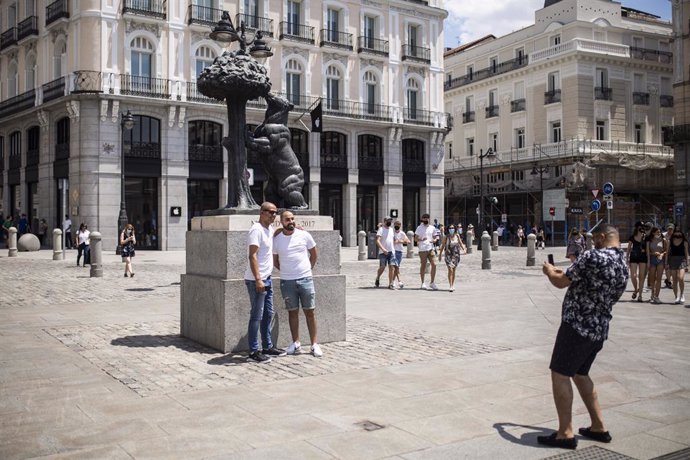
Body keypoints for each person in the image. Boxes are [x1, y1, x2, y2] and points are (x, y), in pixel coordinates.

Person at [539, 224, 629, 450]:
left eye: (594, 239)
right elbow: (574, 276)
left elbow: (561, 281)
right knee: (581, 373)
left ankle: (565, 433)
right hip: (599, 328)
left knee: (560, 374)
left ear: (601, 237)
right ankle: (598, 426)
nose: (592, 242)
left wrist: (549, 271)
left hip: (577, 325)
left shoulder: (593, 256)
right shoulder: (623, 263)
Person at [273, 210, 322, 357]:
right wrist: (287, 271)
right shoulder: (277, 239)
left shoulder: (304, 235)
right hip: (287, 281)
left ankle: (314, 344)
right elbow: (275, 261)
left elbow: (314, 254)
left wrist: (308, 269)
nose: (291, 221)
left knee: (310, 311)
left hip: (305, 278)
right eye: (287, 219)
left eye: (293, 218)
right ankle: (296, 343)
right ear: (281, 221)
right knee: (292, 312)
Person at [244, 202, 285, 363]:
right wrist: (258, 279)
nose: (273, 215)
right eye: (270, 212)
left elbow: (276, 234)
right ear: (261, 212)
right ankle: (254, 351)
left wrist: (291, 229)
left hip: (267, 278)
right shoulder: (256, 230)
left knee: (268, 313)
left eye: (276, 212)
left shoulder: (269, 229)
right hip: (257, 280)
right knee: (256, 316)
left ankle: (267, 346)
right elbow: (252, 256)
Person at [414, 213, 439, 290]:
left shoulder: (432, 227)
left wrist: (434, 240)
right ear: (422, 219)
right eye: (424, 218)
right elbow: (415, 239)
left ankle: (432, 282)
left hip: (430, 248)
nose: (426, 219)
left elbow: (435, 237)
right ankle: (423, 282)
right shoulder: (419, 228)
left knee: (434, 264)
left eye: (427, 218)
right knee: (423, 265)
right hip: (422, 249)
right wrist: (421, 239)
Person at [439, 224, 466, 292]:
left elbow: (460, 243)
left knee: (454, 270)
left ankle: (453, 284)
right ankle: (450, 285)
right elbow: (442, 246)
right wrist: (439, 255)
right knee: (450, 270)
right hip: (448, 255)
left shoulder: (457, 235)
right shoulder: (446, 237)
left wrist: (464, 249)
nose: (452, 229)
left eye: (453, 228)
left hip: (456, 255)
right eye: (450, 228)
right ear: (448, 229)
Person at [666, 230, 689, 304]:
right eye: (676, 236)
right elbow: (667, 253)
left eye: (679, 236)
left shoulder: (684, 242)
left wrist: (687, 264)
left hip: (681, 260)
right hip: (672, 260)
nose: (677, 238)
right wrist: (666, 263)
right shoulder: (670, 241)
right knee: (674, 280)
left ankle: (682, 294)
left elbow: (686, 253)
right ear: (673, 236)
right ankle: (676, 296)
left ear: (682, 236)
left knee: (680, 278)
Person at [626, 223, 647, 302]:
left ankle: (640, 296)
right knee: (633, 275)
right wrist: (627, 258)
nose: (642, 228)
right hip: (634, 256)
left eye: (643, 227)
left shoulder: (645, 237)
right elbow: (628, 248)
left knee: (641, 276)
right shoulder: (632, 237)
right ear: (637, 227)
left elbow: (648, 247)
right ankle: (636, 289)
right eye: (640, 226)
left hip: (643, 256)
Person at [374, 216, 397, 289]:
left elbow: (393, 239)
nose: (389, 222)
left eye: (390, 220)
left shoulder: (391, 229)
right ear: (385, 221)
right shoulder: (381, 230)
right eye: (388, 221)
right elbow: (377, 240)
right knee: (382, 267)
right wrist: (383, 249)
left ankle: (390, 283)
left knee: (391, 267)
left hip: (391, 251)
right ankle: (378, 277)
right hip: (383, 252)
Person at [646, 227, 667, 304]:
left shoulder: (663, 240)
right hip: (652, 259)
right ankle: (652, 294)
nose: (659, 233)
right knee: (652, 278)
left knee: (659, 278)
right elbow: (648, 252)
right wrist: (653, 254)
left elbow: (666, 250)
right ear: (653, 233)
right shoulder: (649, 241)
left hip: (660, 260)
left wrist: (662, 254)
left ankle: (657, 296)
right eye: (657, 232)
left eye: (659, 232)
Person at [392, 221, 410, 289]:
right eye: (396, 225)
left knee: (397, 267)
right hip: (393, 251)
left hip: (399, 251)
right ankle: (397, 281)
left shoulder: (402, 233)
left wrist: (400, 241)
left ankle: (395, 281)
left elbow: (408, 241)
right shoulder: (392, 233)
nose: (397, 226)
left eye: (398, 225)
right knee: (395, 267)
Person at [662, 223, 675, 289]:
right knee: (667, 268)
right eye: (669, 229)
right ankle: (669, 282)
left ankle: (667, 280)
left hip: (673, 254)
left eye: (671, 229)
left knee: (673, 269)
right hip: (665, 253)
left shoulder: (675, 236)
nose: (670, 230)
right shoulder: (663, 235)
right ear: (667, 229)